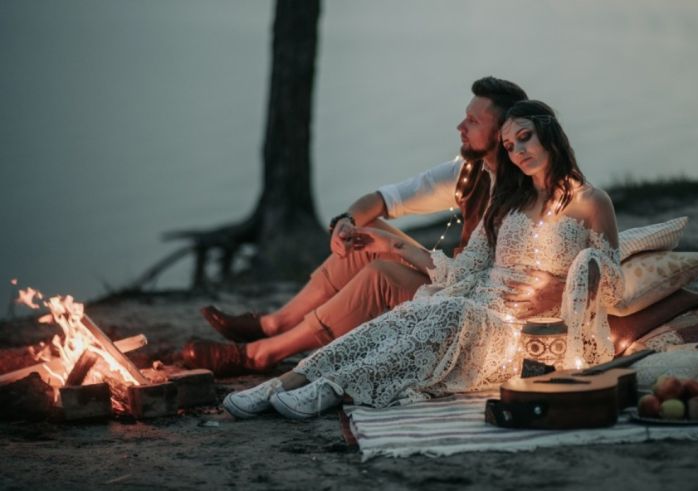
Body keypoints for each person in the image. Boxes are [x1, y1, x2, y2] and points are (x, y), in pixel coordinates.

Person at [221, 100, 624, 419]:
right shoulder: (505, 202)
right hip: (476, 303)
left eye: (525, 138)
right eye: (510, 146)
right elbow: (461, 271)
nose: (519, 152)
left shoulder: (592, 202)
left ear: (549, 133)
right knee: (402, 318)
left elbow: (613, 281)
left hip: (527, 337)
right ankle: (286, 381)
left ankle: (335, 388)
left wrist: (564, 289)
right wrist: (389, 245)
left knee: (451, 312)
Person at [182, 77, 567, 376]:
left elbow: (494, 281)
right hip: (452, 278)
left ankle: (261, 353)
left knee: (382, 271)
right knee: (367, 232)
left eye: (472, 121)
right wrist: (346, 222)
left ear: (501, 133)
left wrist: (393, 248)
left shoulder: (525, 196)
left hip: (476, 305)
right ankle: (272, 324)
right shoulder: (470, 173)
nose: (459, 126)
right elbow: (385, 199)